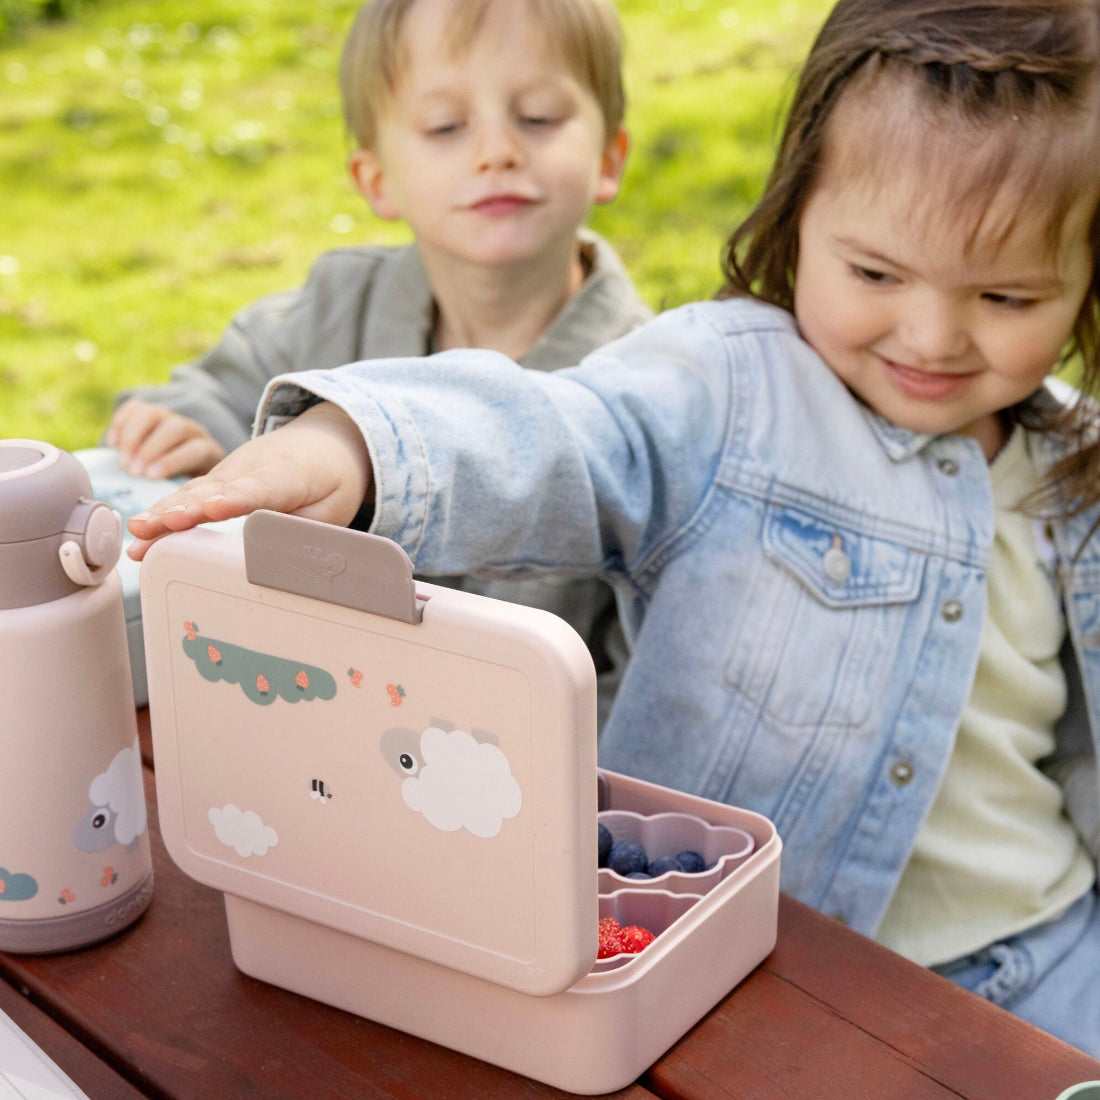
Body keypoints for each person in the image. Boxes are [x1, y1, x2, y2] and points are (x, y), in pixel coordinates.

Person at [128, 0, 1100, 1054]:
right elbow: (555, 432)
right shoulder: (726, 389)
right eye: (873, 274)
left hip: (1051, 939)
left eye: (1004, 296)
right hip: (753, 958)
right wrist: (354, 448)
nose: (931, 333)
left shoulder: (1071, 461)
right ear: (796, 213)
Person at [107, 0, 652, 724]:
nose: (497, 151)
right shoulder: (342, 302)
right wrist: (189, 429)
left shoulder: (640, 386)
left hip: (508, 769)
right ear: (376, 180)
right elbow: (222, 387)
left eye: (540, 117)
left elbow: (642, 662)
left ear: (610, 158)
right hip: (299, 716)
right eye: (445, 127)